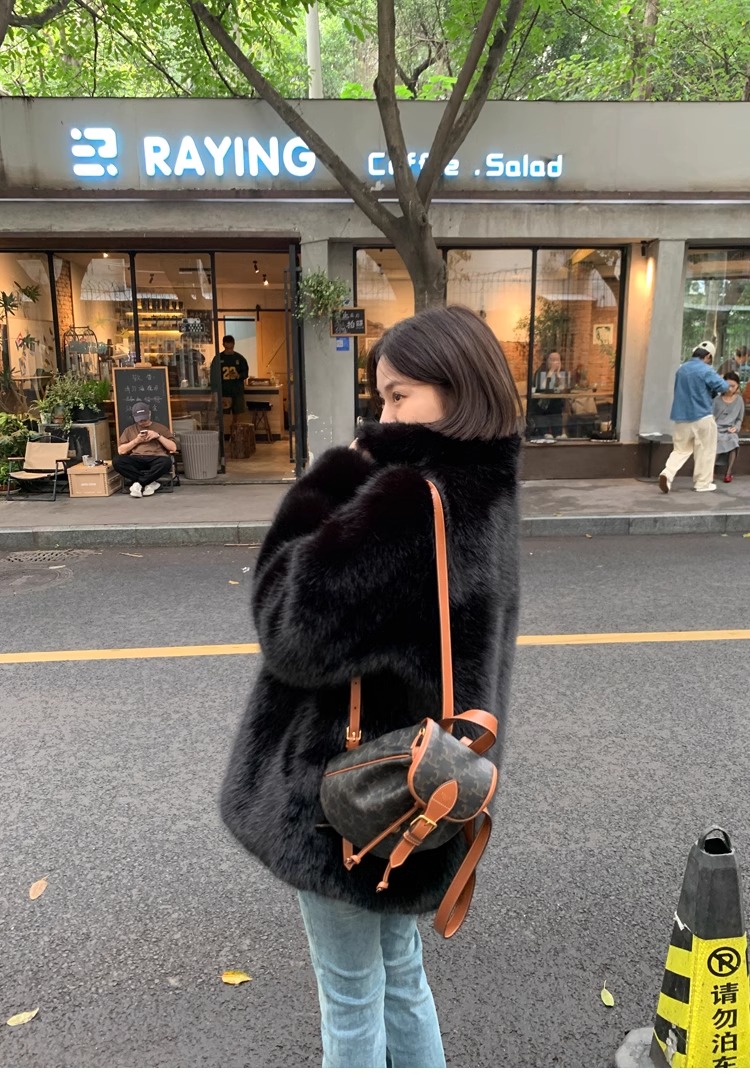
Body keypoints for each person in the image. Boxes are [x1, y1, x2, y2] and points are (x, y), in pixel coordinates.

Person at [220, 305, 522, 1068]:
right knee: (401, 979)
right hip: (424, 785)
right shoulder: (486, 491)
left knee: (352, 999)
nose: (381, 416)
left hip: (349, 800)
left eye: (398, 396)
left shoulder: (403, 500)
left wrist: (333, 476)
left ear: (456, 389)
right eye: (381, 397)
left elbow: (288, 630)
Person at [658, 343, 729, 494]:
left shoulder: (681, 369)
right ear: (708, 356)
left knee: (680, 450)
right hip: (702, 416)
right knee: (705, 451)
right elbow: (723, 386)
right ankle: (702, 484)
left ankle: (667, 473)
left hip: (681, 417)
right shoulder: (706, 370)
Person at [113, 402, 177, 497]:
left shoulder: (161, 428)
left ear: (149, 414)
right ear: (134, 417)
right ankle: (149, 483)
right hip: (136, 457)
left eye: (144, 419)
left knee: (166, 462)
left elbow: (173, 447)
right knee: (117, 461)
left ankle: (139, 484)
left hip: (157, 457)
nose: (142, 422)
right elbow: (121, 451)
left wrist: (158, 436)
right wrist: (136, 441)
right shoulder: (129, 430)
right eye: (139, 420)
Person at [713, 370, 745, 483]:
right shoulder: (716, 400)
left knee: (733, 440)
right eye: (727, 385)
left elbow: (739, 419)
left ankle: (728, 473)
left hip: (730, 429)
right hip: (716, 429)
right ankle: (711, 470)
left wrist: (736, 427)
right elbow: (711, 417)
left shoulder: (739, 400)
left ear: (737, 386)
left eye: (733, 386)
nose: (730, 389)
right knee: (716, 440)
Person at [531, 350, 568, 439]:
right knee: (545, 435)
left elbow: (564, 389)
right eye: (552, 360)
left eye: (557, 360)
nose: (555, 363)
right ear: (547, 361)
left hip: (556, 406)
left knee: (558, 434)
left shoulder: (562, 372)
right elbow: (541, 387)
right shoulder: (541, 371)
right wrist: (551, 372)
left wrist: (558, 375)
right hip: (542, 407)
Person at [210, 335, 249, 417]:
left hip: (237, 391)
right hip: (224, 391)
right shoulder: (218, 358)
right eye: (227, 348)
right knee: (224, 414)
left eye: (231, 347)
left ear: (233, 344)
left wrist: (239, 375)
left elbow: (245, 373)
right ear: (223, 345)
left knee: (237, 414)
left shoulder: (240, 358)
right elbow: (213, 376)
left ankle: (235, 425)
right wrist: (214, 391)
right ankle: (228, 425)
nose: (229, 350)